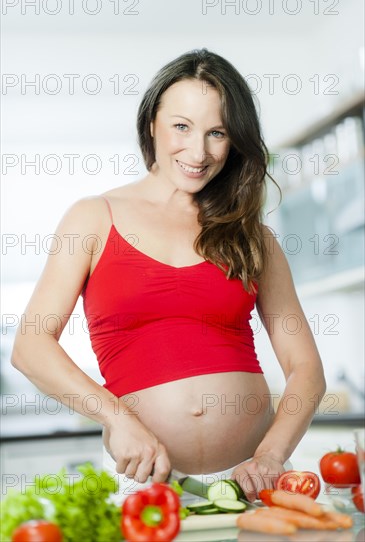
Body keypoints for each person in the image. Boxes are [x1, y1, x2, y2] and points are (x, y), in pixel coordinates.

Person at [11, 48, 326, 504]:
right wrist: (117, 418)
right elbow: (30, 346)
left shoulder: (253, 236)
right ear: (151, 123)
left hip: (256, 480)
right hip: (145, 479)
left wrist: (273, 454)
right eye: (182, 126)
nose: (198, 152)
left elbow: (306, 370)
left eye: (216, 133)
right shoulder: (92, 218)